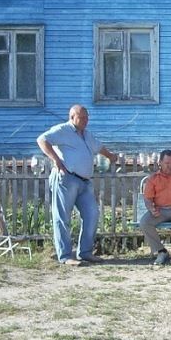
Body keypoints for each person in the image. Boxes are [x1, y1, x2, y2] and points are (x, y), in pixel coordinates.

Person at [37, 105, 118, 266]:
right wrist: (56, 160)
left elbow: (99, 147)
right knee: (62, 217)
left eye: (87, 118)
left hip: (84, 181)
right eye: (82, 118)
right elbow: (42, 140)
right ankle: (65, 256)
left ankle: (85, 252)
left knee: (92, 214)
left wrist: (110, 156)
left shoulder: (87, 135)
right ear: (72, 117)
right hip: (66, 178)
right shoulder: (63, 130)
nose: (86, 121)